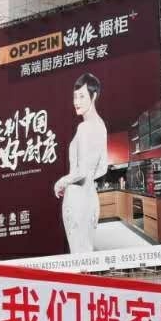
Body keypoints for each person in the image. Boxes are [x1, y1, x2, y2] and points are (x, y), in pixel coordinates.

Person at [54, 73, 108, 253]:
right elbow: (103, 167)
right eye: (75, 97)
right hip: (91, 198)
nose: (77, 102)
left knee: (78, 255)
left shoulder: (84, 127)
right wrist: (84, 178)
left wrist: (63, 182)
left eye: (82, 96)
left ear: (94, 96)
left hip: (76, 200)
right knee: (86, 253)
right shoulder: (101, 125)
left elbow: (82, 171)